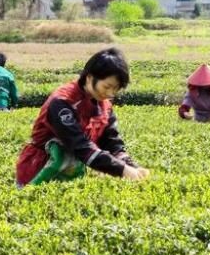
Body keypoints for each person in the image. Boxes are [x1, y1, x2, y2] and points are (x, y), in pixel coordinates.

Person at [16, 48, 149, 187]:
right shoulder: (62, 102)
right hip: (38, 170)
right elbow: (80, 146)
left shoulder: (104, 105)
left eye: (116, 89)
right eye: (107, 86)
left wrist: (131, 166)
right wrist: (122, 170)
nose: (110, 93)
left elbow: (112, 143)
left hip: (70, 172)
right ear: (90, 77)